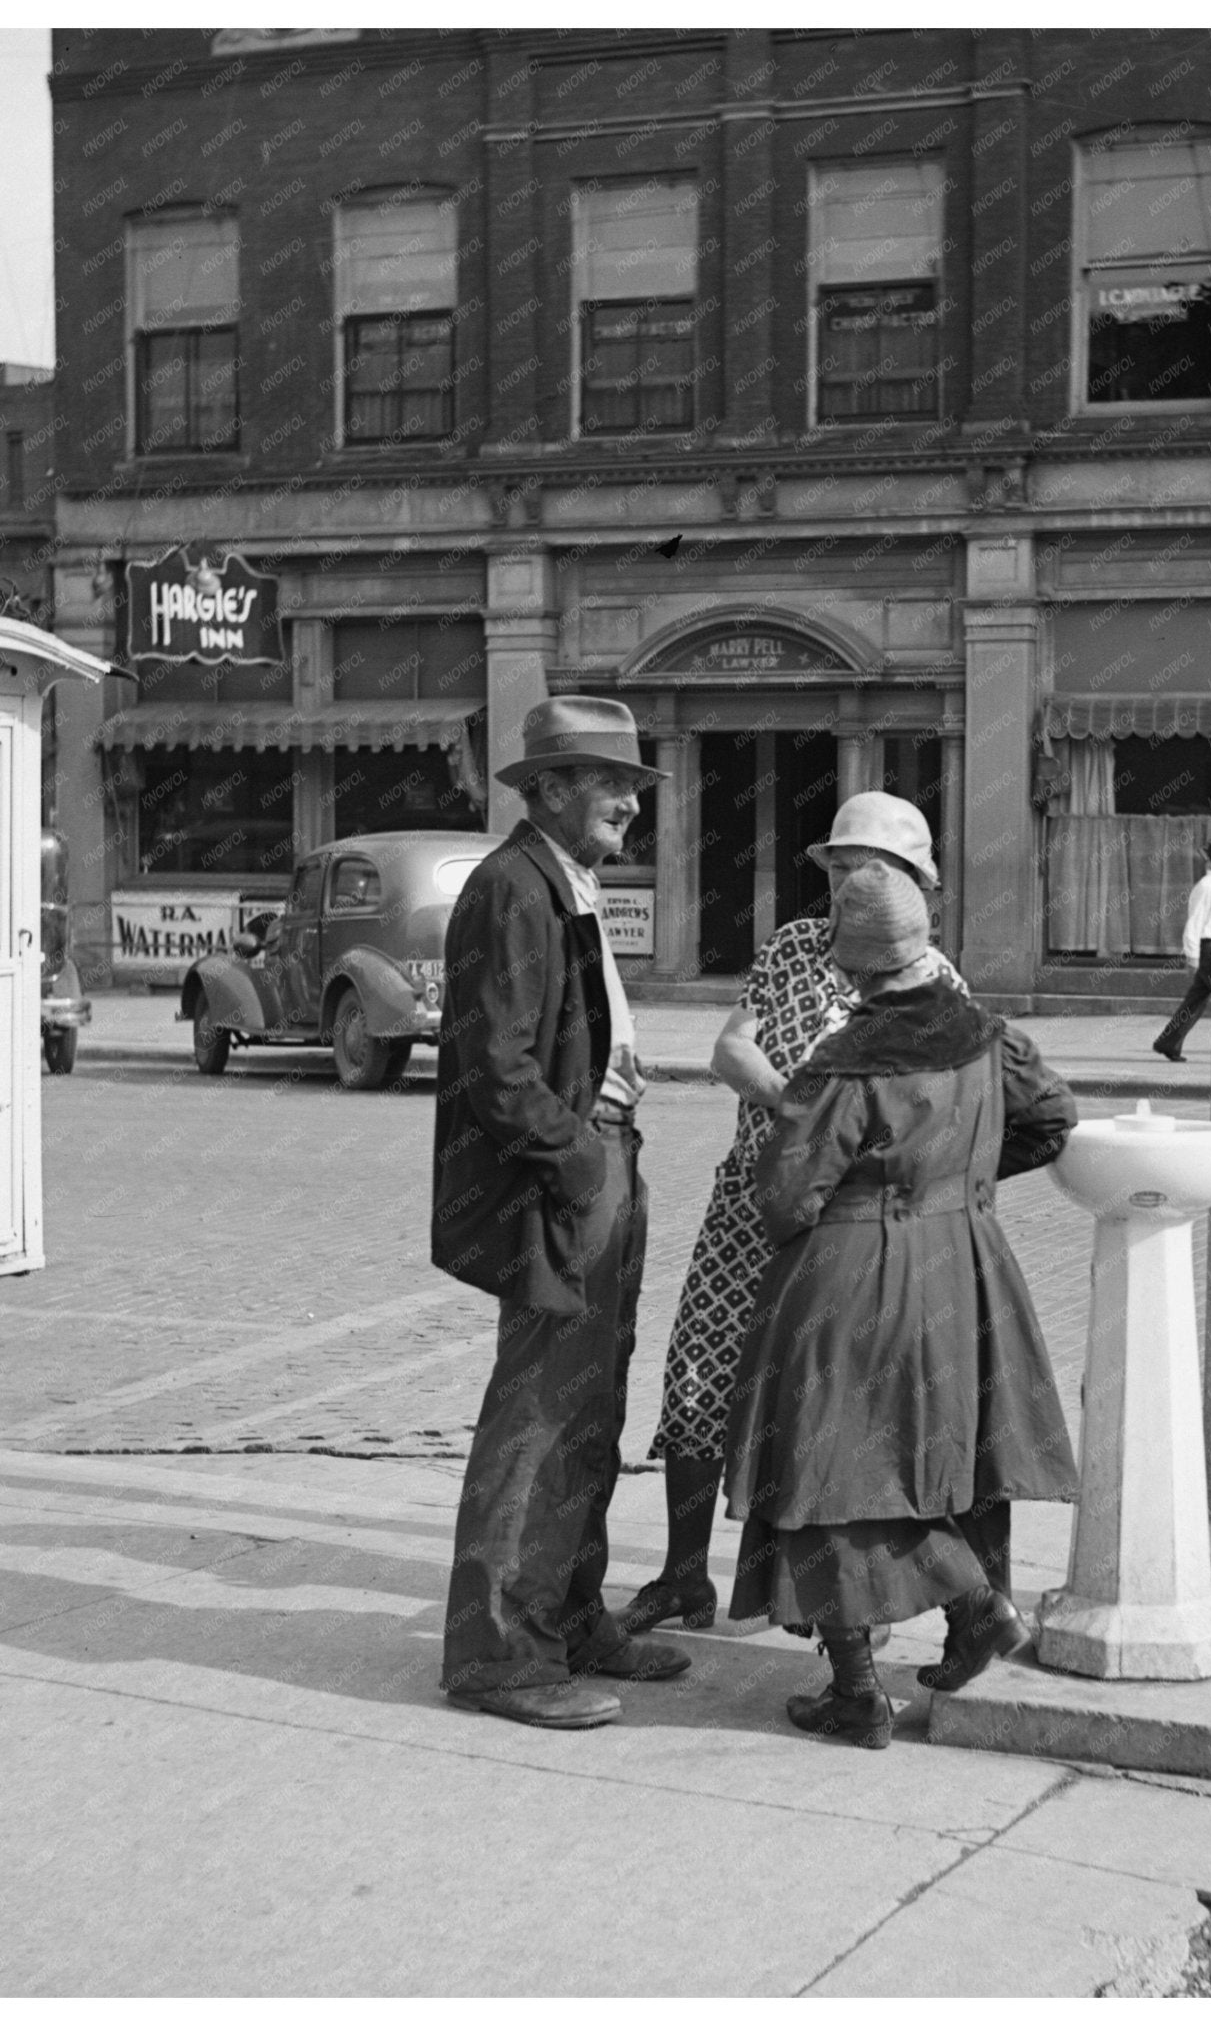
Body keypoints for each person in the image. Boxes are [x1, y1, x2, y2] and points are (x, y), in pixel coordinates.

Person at [723, 861, 1080, 1750]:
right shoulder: (990, 1036)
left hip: (852, 1278)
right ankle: (968, 1622)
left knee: (828, 1471)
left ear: (851, 966)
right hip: (964, 1266)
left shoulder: (848, 1063)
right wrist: (956, 1184)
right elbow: (1052, 1120)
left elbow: (786, 1195)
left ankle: (877, 1677)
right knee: (935, 1457)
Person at [620, 792, 968, 1636]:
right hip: (749, 1200)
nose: (850, 884)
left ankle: (850, 1602)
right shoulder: (793, 949)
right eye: (842, 869)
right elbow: (730, 1047)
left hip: (843, 1234)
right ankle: (683, 1575)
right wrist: (788, 1102)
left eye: (869, 870)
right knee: (700, 1372)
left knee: (833, 1408)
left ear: (915, 886)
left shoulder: (934, 982)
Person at [431, 697, 691, 1730]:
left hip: (599, 1164)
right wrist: (581, 1155)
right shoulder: (511, 887)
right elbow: (493, 1067)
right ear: (544, 789)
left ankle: (571, 1615)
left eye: (631, 783)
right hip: (568, 1176)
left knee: (589, 1408)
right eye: (606, 780)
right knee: (538, 1414)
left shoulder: (558, 879)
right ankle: (499, 1651)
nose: (629, 800)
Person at [1151, 841, 1211, 1064]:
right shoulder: (1208, 885)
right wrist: (1193, 957)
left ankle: (1169, 1042)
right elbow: (1195, 922)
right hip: (1210, 948)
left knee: (1196, 999)